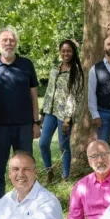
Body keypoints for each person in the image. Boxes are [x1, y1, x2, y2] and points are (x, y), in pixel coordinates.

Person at [0, 26, 41, 207]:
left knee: (25, 169)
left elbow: (33, 95)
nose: (8, 43)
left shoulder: (26, 64)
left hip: (23, 125)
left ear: (16, 43)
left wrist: (36, 122)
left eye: (12, 40)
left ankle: (26, 204)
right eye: (5, 40)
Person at [39, 39, 84, 182]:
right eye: (63, 51)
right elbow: (49, 91)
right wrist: (42, 112)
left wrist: (67, 118)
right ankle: (49, 172)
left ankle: (65, 176)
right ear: (60, 52)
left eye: (69, 51)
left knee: (63, 146)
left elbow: (74, 96)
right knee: (43, 143)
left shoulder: (76, 72)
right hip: (50, 112)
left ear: (73, 53)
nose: (66, 54)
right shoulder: (54, 69)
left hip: (64, 115)